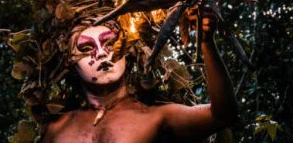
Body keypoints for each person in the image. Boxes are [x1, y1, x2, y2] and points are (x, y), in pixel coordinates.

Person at [42, 12, 238, 142]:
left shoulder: (157, 117)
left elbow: (222, 115)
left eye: (110, 44)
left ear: (127, 53)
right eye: (86, 48)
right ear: (70, 64)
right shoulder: (56, 129)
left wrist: (206, 42)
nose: (101, 54)